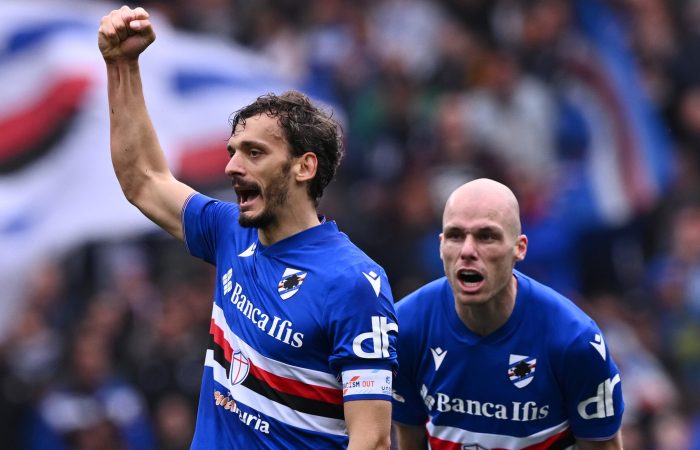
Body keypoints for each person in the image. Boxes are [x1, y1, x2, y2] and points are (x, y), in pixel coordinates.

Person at [98, 6, 398, 450]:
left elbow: (371, 440)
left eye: (254, 153)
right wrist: (122, 65)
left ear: (304, 167)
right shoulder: (230, 230)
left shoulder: (354, 283)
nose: (232, 166)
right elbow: (142, 179)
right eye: (233, 151)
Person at [391, 178, 624, 449]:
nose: (467, 251)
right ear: (441, 246)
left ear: (519, 248)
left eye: (486, 236)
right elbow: (409, 439)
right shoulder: (405, 328)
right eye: (455, 236)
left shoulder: (574, 341)